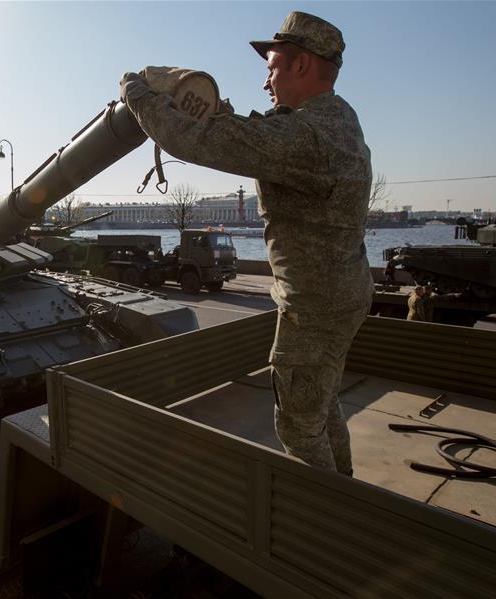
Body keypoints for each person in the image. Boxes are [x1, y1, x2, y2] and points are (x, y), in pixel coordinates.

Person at [120, 11, 373, 475]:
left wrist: (135, 92)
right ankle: (347, 488)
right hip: (342, 294)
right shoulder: (337, 120)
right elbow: (265, 138)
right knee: (319, 403)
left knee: (298, 426)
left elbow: (190, 140)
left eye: (271, 69)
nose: (266, 83)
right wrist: (228, 116)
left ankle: (330, 526)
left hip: (314, 308)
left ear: (300, 67)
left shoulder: (306, 135)